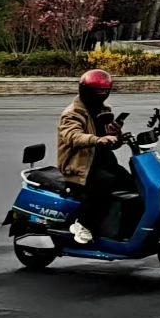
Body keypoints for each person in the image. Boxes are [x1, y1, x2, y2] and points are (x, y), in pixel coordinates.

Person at [58, 69, 130, 245]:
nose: (101, 95)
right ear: (85, 91)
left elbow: (110, 141)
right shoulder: (73, 113)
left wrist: (117, 136)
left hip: (102, 162)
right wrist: (98, 140)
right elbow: (72, 136)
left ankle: (123, 228)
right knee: (104, 184)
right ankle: (82, 224)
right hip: (79, 167)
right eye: (97, 92)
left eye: (104, 92)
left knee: (132, 183)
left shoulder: (104, 110)